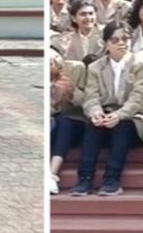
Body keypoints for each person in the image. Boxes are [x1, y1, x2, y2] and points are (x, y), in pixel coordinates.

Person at [73, 23, 143, 196]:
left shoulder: (141, 64)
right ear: (106, 43)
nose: (121, 43)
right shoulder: (95, 67)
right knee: (93, 125)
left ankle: (112, 179)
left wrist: (120, 114)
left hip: (134, 119)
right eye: (115, 39)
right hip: (106, 116)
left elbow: (139, 97)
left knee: (122, 125)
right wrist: (95, 112)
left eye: (125, 38)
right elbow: (91, 96)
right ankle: (85, 178)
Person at [48, 49, 87, 196]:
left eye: (55, 60)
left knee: (64, 122)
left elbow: (83, 101)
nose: (53, 64)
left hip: (71, 120)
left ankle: (52, 174)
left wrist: (71, 92)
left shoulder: (74, 72)